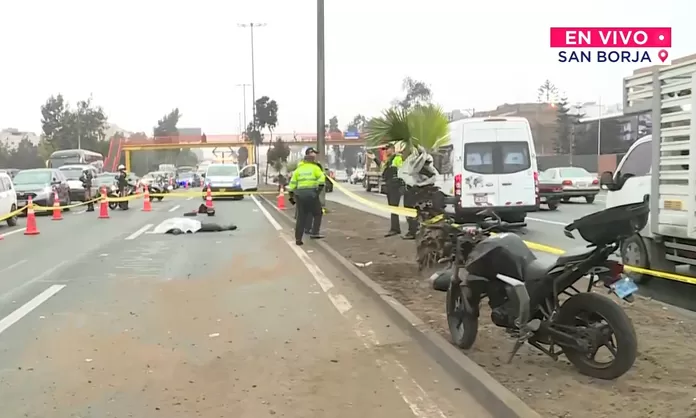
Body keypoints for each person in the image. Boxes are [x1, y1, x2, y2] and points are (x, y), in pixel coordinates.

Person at [288, 147, 325, 245]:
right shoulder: (316, 168)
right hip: (312, 194)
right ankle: (314, 232)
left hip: (300, 195)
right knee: (318, 213)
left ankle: (298, 239)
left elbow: (292, 185)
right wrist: (317, 192)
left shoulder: (298, 170)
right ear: (312, 160)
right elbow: (322, 180)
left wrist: (291, 197)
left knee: (301, 217)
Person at [372, 144, 409, 238]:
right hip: (390, 185)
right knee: (393, 208)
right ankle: (395, 228)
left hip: (395, 186)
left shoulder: (396, 158)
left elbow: (398, 170)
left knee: (394, 208)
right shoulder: (389, 159)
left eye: (386, 149)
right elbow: (383, 168)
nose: (385, 151)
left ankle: (395, 229)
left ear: (392, 149)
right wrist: (374, 159)